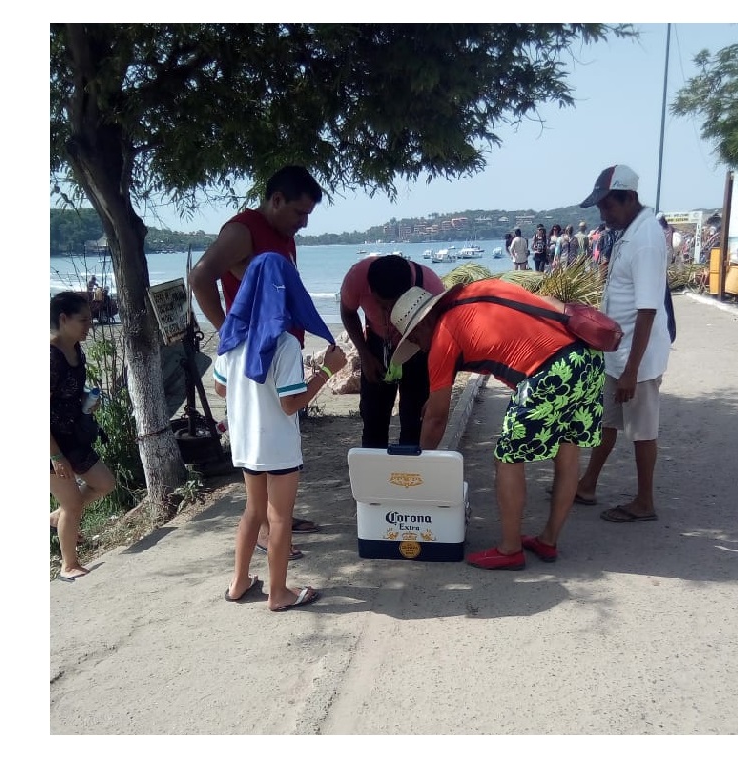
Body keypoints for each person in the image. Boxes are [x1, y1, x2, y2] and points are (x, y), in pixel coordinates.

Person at [389, 280, 605, 570]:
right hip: (586, 357)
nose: (419, 347)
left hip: (550, 371)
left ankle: (510, 550)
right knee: (568, 452)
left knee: (507, 460)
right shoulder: (477, 292)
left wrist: (420, 467)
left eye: (414, 341)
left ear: (419, 327)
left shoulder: (442, 334)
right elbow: (548, 302)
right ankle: (548, 540)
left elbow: (437, 419)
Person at [189, 165, 326, 546]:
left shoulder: (283, 233)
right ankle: (270, 532)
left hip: (279, 350)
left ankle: (277, 517)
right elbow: (200, 277)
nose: (303, 223)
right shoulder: (242, 230)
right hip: (257, 356)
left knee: (275, 449)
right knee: (265, 440)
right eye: (299, 213)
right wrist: (229, 334)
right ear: (276, 199)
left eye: (308, 216)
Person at [213, 253, 346, 611]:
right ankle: (278, 593)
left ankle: (239, 583)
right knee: (280, 518)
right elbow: (291, 404)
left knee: (252, 513)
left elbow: (221, 390)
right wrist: (328, 372)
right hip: (278, 443)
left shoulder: (231, 336)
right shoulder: (285, 344)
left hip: (245, 441)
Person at [571, 165, 672, 523]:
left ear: (629, 198)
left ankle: (645, 501)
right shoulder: (629, 232)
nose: (603, 214)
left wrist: (631, 371)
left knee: (643, 431)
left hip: (637, 359)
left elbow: (646, 311)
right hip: (619, 353)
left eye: (608, 206)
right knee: (607, 423)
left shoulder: (645, 240)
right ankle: (586, 484)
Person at [339, 254, 446, 448]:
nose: (389, 313)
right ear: (370, 290)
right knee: (373, 418)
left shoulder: (430, 286)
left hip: (418, 349)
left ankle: (410, 474)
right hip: (376, 346)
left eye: (395, 306)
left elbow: (442, 339)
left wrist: (436, 389)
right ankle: (375, 473)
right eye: (382, 305)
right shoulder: (358, 277)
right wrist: (365, 354)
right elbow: (347, 312)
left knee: (414, 420)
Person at [50, 291, 117, 582]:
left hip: (73, 435)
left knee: (105, 484)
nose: (90, 324)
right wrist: (55, 456)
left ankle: (56, 517)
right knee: (73, 503)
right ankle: (68, 565)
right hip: (49, 444)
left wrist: (87, 403)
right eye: (84, 319)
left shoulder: (76, 350)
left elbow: (69, 395)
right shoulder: (48, 356)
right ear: (63, 319)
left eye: (91, 318)